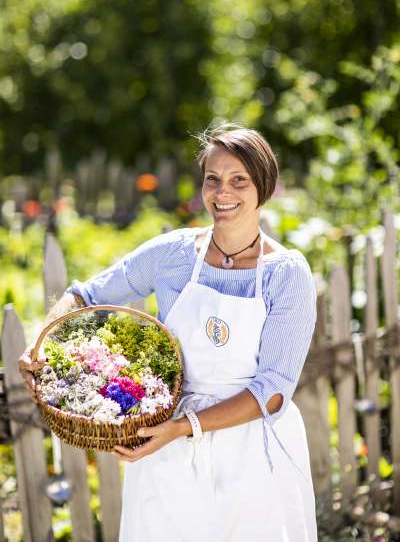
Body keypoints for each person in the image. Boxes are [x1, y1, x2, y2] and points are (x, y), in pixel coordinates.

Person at [19, 124, 318, 541]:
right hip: (166, 447)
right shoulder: (174, 254)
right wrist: (42, 344)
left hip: (250, 453)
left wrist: (184, 427)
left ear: (263, 188)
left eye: (239, 181)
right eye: (212, 179)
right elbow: (86, 294)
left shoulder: (286, 274)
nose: (222, 192)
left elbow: (273, 390)